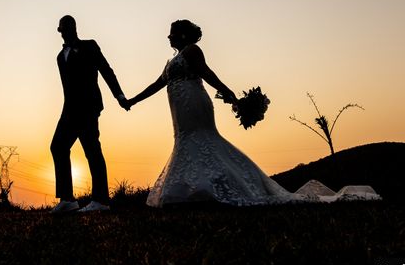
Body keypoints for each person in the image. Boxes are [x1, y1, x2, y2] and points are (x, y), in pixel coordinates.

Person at [123, 19, 379, 206]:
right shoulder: (173, 60)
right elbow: (158, 84)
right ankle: (194, 189)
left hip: (194, 101)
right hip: (178, 108)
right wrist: (133, 100)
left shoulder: (192, 51)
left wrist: (230, 94)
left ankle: (213, 188)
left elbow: (207, 74)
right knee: (186, 140)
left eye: (171, 34)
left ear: (181, 34)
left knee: (202, 139)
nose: (168, 38)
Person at [50, 15, 127, 214]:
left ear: (75, 28)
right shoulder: (60, 57)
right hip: (69, 110)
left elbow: (106, 70)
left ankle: (101, 200)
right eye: (63, 28)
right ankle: (67, 199)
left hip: (88, 107)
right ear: (59, 31)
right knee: (58, 146)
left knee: (92, 149)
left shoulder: (90, 46)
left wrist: (119, 95)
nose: (66, 30)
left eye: (69, 27)